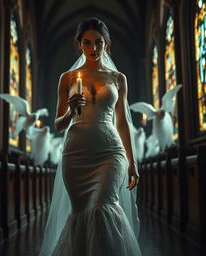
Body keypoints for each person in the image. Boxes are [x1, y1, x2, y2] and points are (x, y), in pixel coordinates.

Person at [39, 17, 142, 256]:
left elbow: (123, 123)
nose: (93, 48)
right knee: (82, 211)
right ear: (79, 44)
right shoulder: (67, 78)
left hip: (110, 151)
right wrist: (70, 111)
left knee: (101, 207)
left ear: (106, 43)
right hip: (77, 152)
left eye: (98, 42)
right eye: (87, 42)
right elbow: (58, 125)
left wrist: (132, 162)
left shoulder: (118, 78)